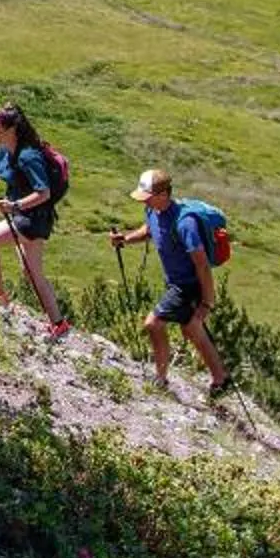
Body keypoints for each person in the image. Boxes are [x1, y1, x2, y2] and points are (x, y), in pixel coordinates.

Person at [110, 168, 228, 394]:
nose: (145, 201)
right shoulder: (153, 211)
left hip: (188, 285)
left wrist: (207, 302)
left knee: (153, 324)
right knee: (192, 328)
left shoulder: (186, 224)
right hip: (175, 282)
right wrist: (125, 238)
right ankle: (221, 379)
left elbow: (202, 265)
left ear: (164, 194)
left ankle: (161, 379)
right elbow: (149, 230)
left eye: (149, 197)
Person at [0, 105, 68, 338]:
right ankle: (58, 323)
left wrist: (15, 205)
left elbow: (44, 193)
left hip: (29, 219)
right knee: (32, 273)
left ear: (12, 129)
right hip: (34, 219)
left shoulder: (29, 156)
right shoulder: (6, 150)